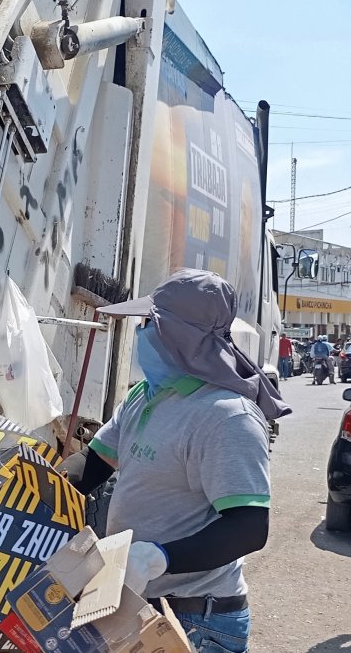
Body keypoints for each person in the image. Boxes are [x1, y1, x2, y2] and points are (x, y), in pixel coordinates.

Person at [62, 269, 291, 653]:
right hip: (133, 605)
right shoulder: (147, 395)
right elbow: (94, 461)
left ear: (179, 336)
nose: (140, 333)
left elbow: (250, 526)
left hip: (196, 621)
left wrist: (158, 558)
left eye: (149, 323)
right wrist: (31, 483)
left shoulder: (226, 417)